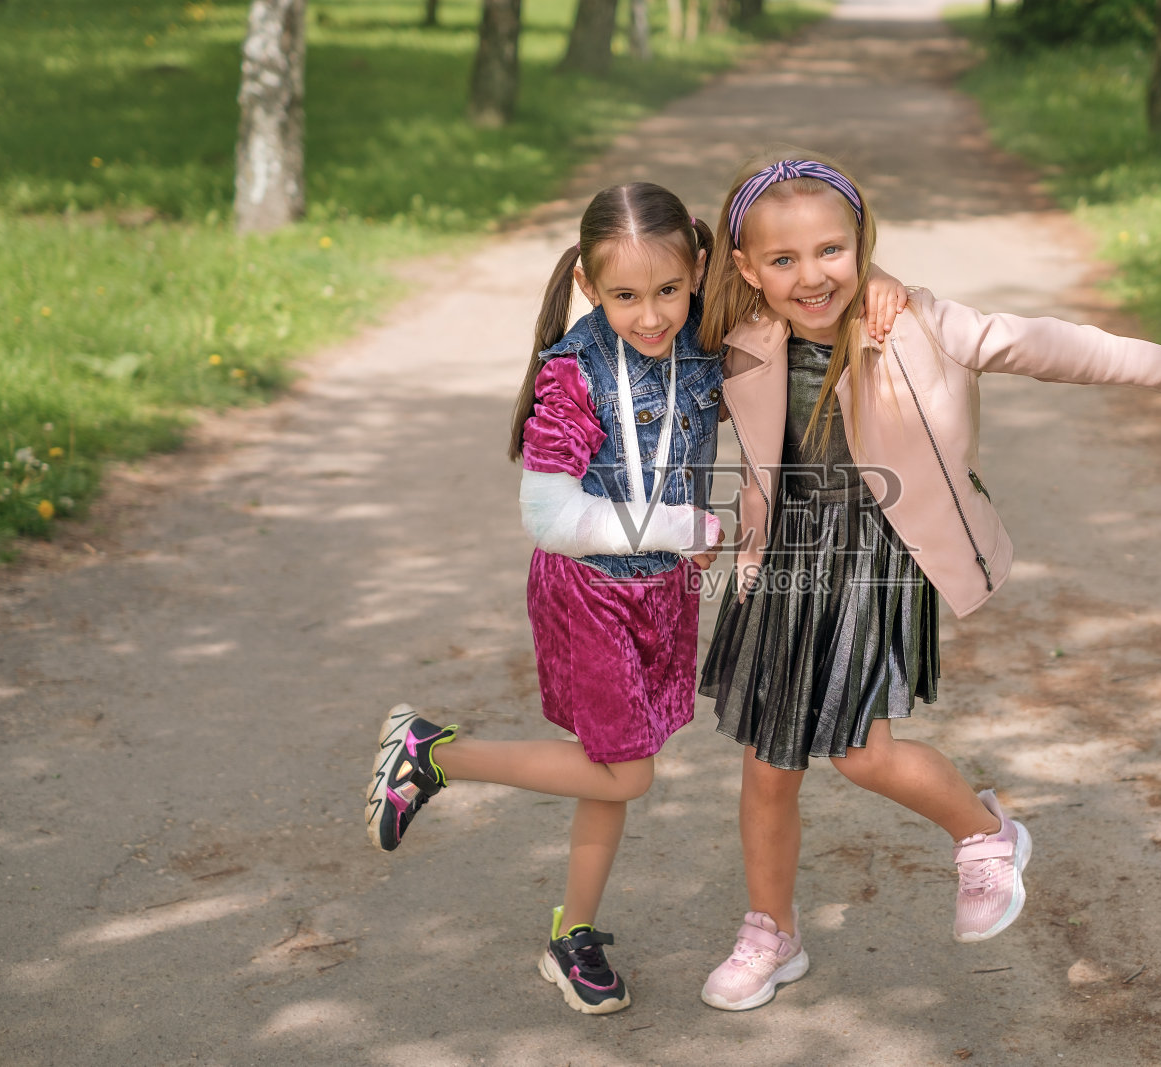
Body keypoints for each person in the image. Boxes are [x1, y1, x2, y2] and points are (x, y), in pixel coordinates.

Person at [695, 152, 1161, 1011]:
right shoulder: (739, 332)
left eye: (833, 252)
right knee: (768, 765)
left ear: (861, 243)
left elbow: (1046, 344)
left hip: (877, 566)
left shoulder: (917, 324)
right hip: (780, 567)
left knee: (858, 750)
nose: (811, 276)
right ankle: (772, 930)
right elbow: (652, 286)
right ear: (747, 269)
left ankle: (986, 833)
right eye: (783, 261)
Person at [362, 181, 908, 1015]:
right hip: (590, 594)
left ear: (695, 273)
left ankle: (571, 932)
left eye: (667, 291)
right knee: (625, 773)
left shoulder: (702, 335)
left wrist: (882, 285)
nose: (651, 315)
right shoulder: (572, 376)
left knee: (604, 764)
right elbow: (548, 515)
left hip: (663, 594)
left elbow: (791, 282)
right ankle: (433, 754)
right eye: (624, 296)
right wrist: (680, 522)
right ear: (588, 283)